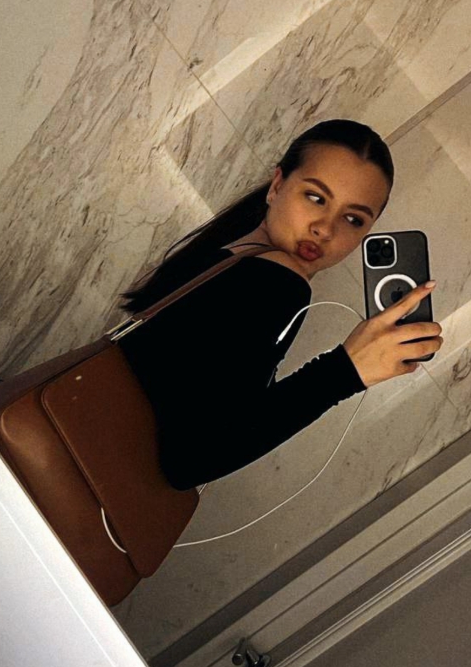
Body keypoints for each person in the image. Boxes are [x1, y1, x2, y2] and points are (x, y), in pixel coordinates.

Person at [117, 119, 443, 491]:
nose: (325, 228)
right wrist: (346, 371)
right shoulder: (279, 280)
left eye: (353, 219)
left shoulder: (229, 254)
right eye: (316, 198)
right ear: (277, 186)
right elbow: (191, 459)